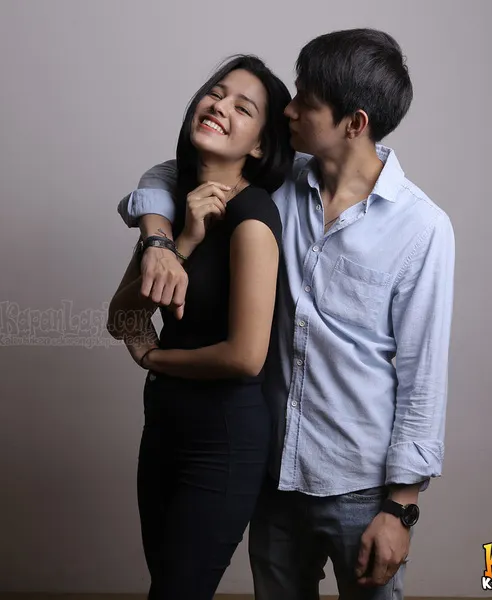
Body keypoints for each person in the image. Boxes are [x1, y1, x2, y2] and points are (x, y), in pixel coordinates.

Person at [117, 29, 455, 600]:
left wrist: (402, 508)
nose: (289, 110)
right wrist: (158, 238)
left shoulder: (421, 227)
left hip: (360, 487)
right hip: (273, 476)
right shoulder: (282, 184)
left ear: (354, 123)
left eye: (307, 102)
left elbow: (423, 377)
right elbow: (173, 173)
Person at [106, 54, 295, 600]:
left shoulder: (253, 218)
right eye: (216, 92)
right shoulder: (172, 209)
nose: (220, 106)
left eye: (244, 107)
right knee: (166, 586)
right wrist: (180, 242)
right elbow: (122, 318)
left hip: (223, 439)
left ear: (259, 145)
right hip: (164, 427)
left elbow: (245, 357)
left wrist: (155, 359)